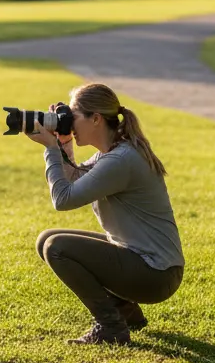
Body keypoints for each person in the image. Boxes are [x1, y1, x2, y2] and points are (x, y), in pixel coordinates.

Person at [27, 83, 184, 345]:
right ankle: (126, 312)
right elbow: (75, 178)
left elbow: (63, 199)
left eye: (72, 117)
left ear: (96, 119)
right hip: (149, 266)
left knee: (57, 247)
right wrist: (63, 143)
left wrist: (51, 149)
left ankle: (111, 326)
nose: (68, 123)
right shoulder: (112, 154)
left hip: (155, 274)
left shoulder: (120, 160)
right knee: (47, 239)